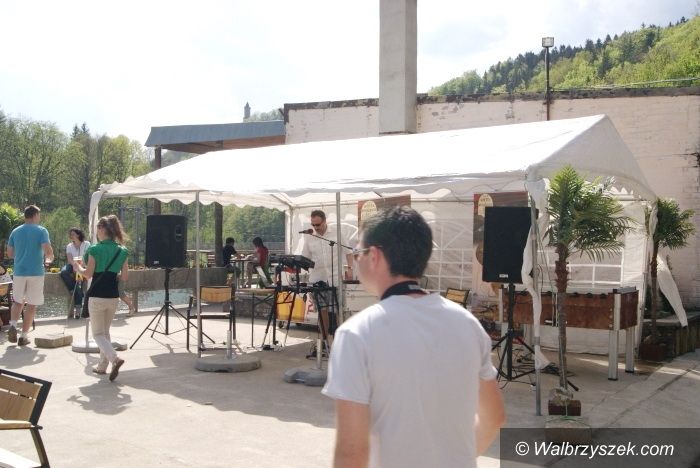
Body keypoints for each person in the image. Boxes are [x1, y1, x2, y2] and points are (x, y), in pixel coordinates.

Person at [322, 206, 506, 468]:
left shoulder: (358, 333)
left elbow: (352, 453)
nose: (355, 261)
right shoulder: (468, 324)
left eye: (357, 253)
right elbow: (494, 417)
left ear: (374, 256)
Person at [74, 215, 129, 382]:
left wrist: (77, 267)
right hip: (113, 296)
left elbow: (88, 274)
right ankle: (102, 366)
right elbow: (124, 277)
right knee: (105, 332)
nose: (96, 232)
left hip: (97, 295)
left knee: (98, 334)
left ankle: (114, 358)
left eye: (97, 228)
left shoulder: (95, 249)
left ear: (102, 229)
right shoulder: (122, 250)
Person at [300, 209, 353, 350]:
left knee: (339, 311)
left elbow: (349, 252)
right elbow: (305, 258)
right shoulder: (309, 237)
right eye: (313, 225)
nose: (315, 228)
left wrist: (350, 269)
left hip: (336, 278)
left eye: (318, 224)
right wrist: (300, 266)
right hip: (318, 279)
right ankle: (324, 342)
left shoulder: (337, 233)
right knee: (322, 311)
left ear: (325, 221)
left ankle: (341, 343)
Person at [6, 205, 54, 346]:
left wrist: (22, 254)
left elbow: (10, 254)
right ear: (35, 215)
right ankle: (24, 336)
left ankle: (13, 325)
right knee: (31, 304)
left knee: (18, 301)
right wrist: (50, 257)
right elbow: (47, 250)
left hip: (19, 271)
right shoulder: (41, 230)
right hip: (35, 272)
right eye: (39, 215)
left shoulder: (15, 231)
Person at [65, 227, 91, 318]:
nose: (71, 236)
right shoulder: (69, 246)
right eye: (70, 234)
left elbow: (88, 257)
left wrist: (80, 266)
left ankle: (78, 311)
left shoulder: (86, 244)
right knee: (64, 272)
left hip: (84, 266)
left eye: (73, 234)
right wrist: (75, 265)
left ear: (78, 234)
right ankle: (73, 288)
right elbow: (69, 259)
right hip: (73, 265)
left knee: (79, 286)